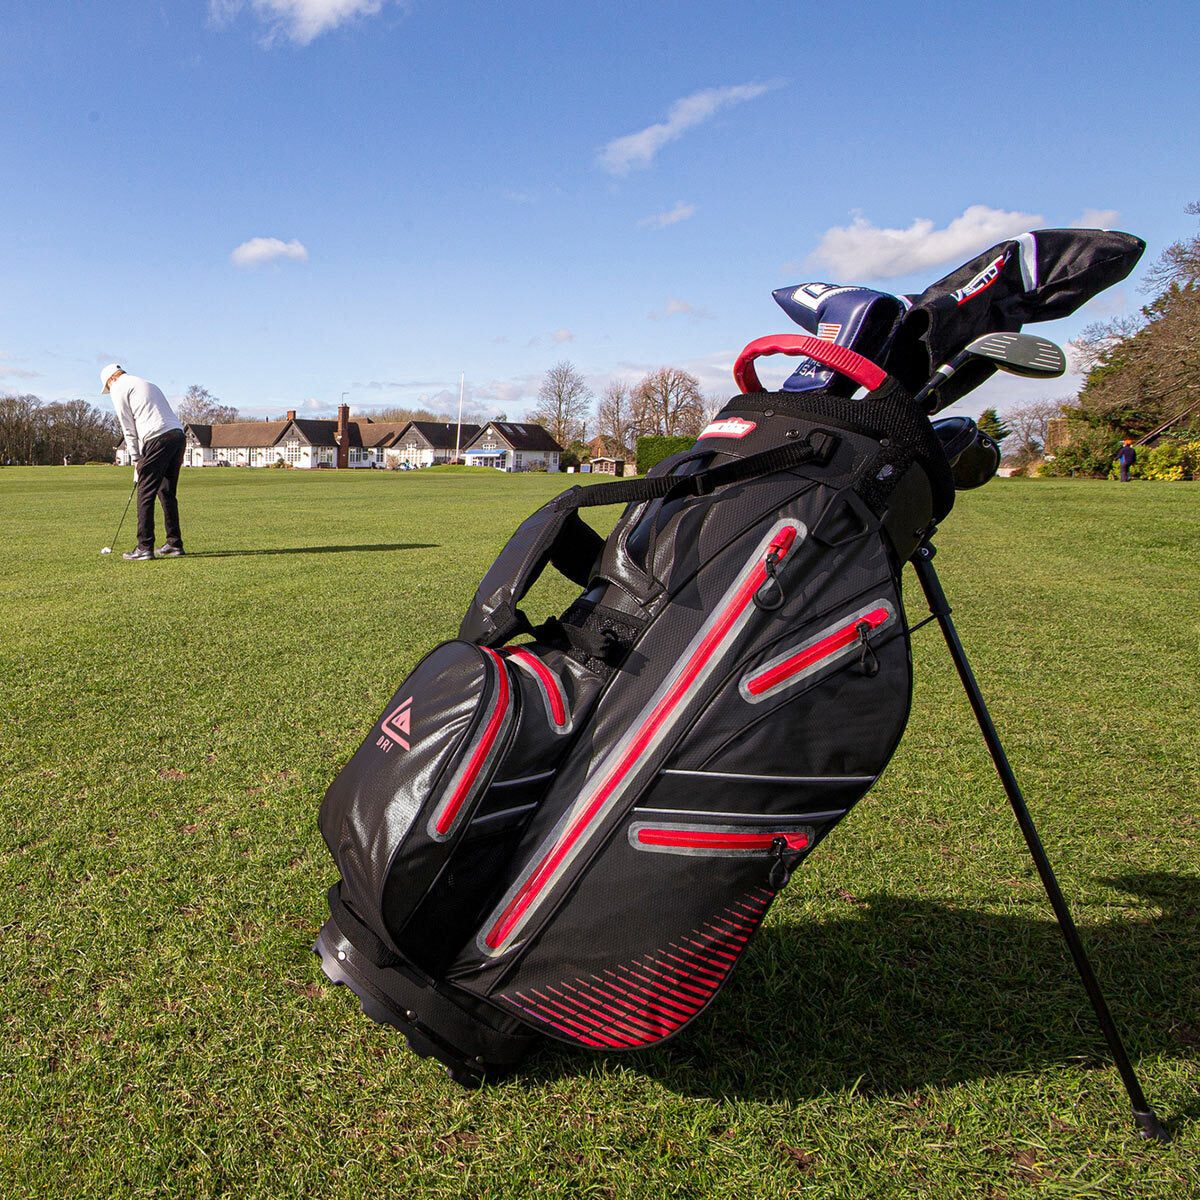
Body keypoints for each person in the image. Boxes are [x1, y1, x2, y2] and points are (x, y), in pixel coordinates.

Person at [101, 364, 186, 560]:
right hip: (178, 435)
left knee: (145, 491)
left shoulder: (119, 387)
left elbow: (128, 427)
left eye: (108, 387)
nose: (109, 391)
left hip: (157, 438)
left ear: (111, 379)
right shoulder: (145, 383)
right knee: (166, 491)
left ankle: (144, 547)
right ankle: (174, 543)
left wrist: (136, 459)